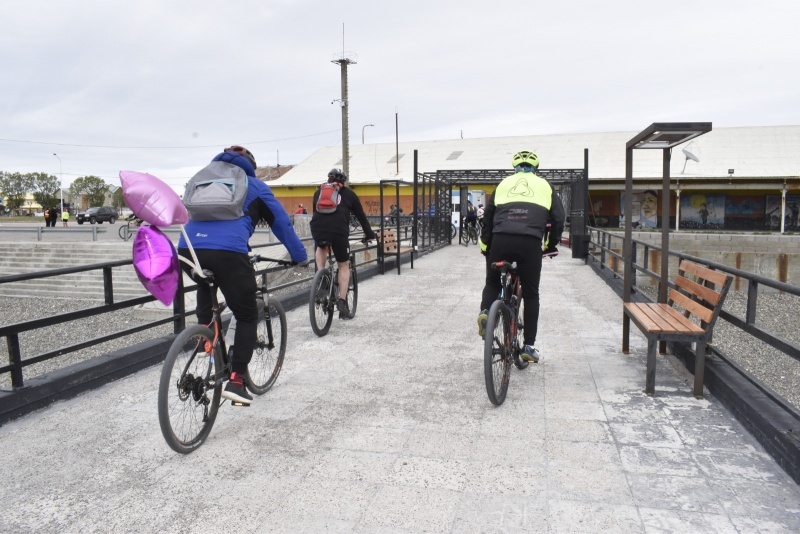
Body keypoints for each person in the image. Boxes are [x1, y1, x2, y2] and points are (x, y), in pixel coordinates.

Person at [177, 146, 308, 406]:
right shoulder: (254, 186)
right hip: (229, 254)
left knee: (207, 281)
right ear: (250, 165)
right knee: (247, 314)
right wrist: (299, 256)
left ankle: (205, 341)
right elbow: (281, 223)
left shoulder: (202, 179)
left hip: (187, 250)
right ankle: (236, 381)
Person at [477, 150, 565, 363]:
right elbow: (559, 218)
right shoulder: (545, 186)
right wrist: (550, 245)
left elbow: (488, 218)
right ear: (536, 168)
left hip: (500, 240)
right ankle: (528, 346)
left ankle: (487, 313)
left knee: (492, 282)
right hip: (529, 242)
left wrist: (486, 246)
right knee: (532, 293)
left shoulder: (503, 184)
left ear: (514, 168)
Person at [310, 168, 376, 318]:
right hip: (339, 231)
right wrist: (369, 234)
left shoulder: (318, 193)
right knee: (343, 265)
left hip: (318, 228)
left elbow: (316, 212)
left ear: (328, 180)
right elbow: (361, 216)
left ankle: (321, 275)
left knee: (320, 245)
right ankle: (341, 300)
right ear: (343, 182)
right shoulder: (349, 194)